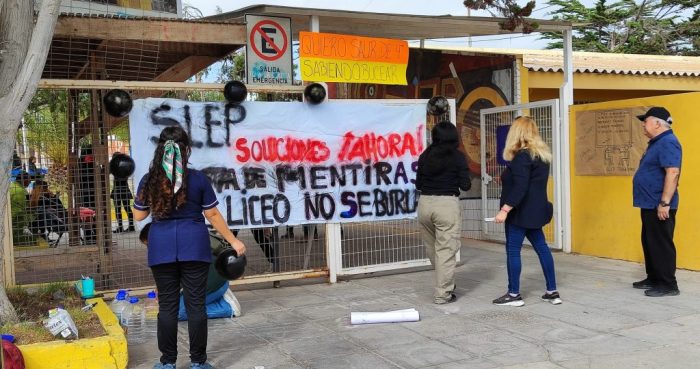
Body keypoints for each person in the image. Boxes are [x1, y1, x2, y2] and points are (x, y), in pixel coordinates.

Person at [132, 126, 246, 369]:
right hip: (194, 246)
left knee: (168, 307)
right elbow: (212, 214)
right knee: (196, 306)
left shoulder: (149, 179)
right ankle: (198, 363)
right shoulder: (197, 179)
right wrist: (233, 241)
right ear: (188, 150)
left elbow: (139, 215)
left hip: (160, 247)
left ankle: (167, 363)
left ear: (160, 150)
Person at [491, 116, 560, 307]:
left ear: (517, 132)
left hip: (519, 213)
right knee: (542, 248)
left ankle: (513, 294)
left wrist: (505, 209)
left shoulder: (522, 156)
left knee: (513, 251)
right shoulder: (541, 156)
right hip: (536, 212)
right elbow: (529, 183)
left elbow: (521, 187)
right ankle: (552, 291)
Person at [415, 121, 470, 304]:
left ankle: (446, 283)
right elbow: (466, 185)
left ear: (435, 136)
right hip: (446, 205)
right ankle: (443, 294)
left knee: (433, 250)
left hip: (425, 204)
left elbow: (418, 184)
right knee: (446, 251)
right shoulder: (458, 157)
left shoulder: (425, 155)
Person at [632, 107, 682, 297]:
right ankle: (654, 277)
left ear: (657, 123)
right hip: (649, 202)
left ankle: (669, 284)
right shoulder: (657, 142)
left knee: (661, 243)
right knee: (649, 241)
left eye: (646, 122)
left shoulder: (668, 142)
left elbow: (673, 172)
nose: (643, 125)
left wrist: (665, 202)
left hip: (659, 203)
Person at [111, 152, 135, 233]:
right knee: (126, 208)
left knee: (120, 209)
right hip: (124, 189)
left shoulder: (116, 167)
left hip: (118, 189)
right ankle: (130, 226)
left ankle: (122, 227)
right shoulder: (124, 166)